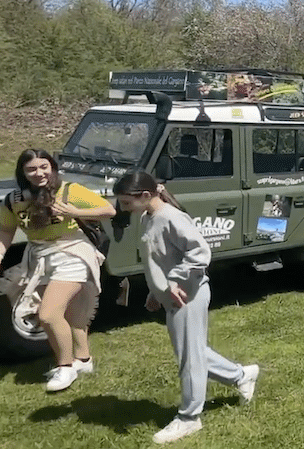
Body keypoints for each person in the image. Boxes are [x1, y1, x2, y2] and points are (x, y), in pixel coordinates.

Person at [112, 170, 258, 444]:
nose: (122, 207)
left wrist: (175, 281)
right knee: (193, 352)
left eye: (126, 202)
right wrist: (157, 291)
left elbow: (200, 252)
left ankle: (190, 418)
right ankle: (241, 375)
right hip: (173, 296)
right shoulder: (147, 217)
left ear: (145, 196)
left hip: (188, 295)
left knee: (189, 358)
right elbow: (159, 259)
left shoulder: (170, 217)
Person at [0, 149, 115, 392]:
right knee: (68, 313)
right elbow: (6, 230)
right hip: (40, 257)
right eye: (32, 169)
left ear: (52, 167)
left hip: (72, 254)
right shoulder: (14, 200)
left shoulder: (69, 191)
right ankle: (84, 360)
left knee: (47, 314)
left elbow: (108, 211)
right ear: (23, 173)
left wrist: (74, 212)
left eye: (43, 167)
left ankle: (65, 366)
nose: (39, 173)